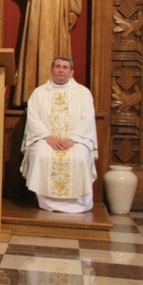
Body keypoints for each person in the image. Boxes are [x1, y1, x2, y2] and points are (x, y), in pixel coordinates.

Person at [21, 56, 97, 213]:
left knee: (80, 157)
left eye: (65, 67)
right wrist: (47, 137)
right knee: (41, 155)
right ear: (51, 70)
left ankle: (79, 201)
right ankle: (45, 201)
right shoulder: (39, 93)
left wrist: (73, 138)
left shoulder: (83, 93)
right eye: (58, 66)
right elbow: (33, 117)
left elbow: (87, 118)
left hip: (75, 140)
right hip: (46, 139)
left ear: (72, 72)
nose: (61, 70)